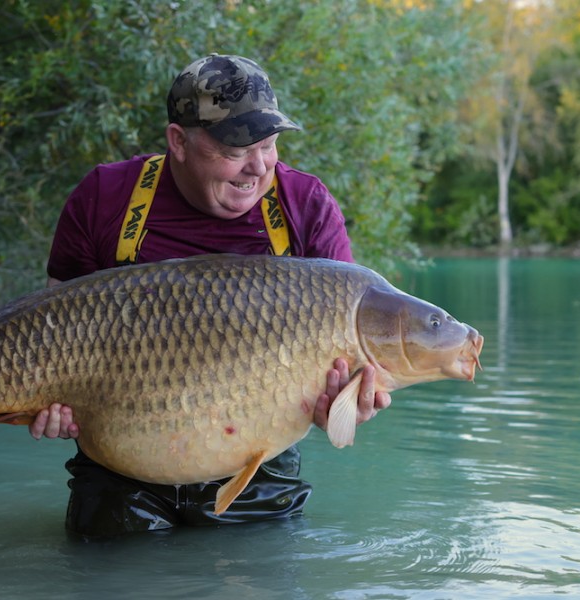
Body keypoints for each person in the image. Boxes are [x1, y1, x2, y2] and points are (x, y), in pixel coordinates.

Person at [31, 54, 390, 537]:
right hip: (122, 472)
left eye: (269, 144)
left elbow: (347, 373)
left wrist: (348, 405)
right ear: (179, 141)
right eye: (235, 148)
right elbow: (47, 331)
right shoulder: (105, 198)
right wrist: (44, 403)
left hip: (259, 469)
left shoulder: (305, 207)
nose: (257, 167)